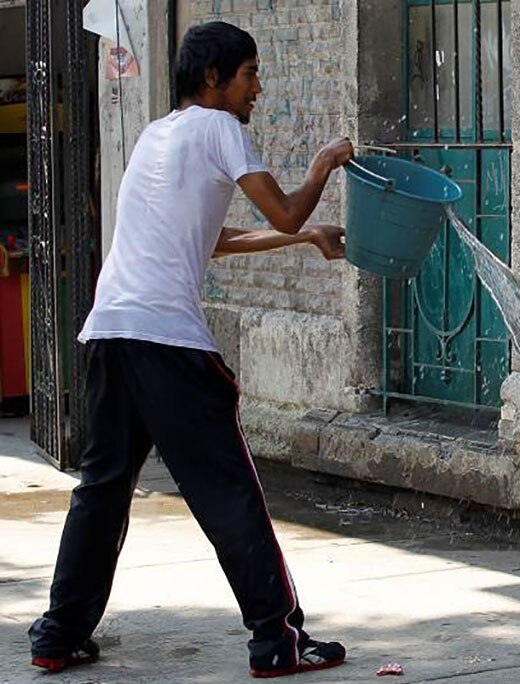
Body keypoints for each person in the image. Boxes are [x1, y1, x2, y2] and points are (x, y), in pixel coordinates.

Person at [29, 21, 354, 678]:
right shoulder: (220, 128)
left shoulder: (158, 135)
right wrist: (323, 165)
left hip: (110, 333)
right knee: (229, 491)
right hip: (168, 345)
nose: (257, 89)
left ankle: (59, 634)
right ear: (214, 78)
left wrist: (305, 237)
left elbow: (213, 239)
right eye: (250, 74)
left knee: (101, 490)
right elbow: (284, 211)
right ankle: (277, 640)